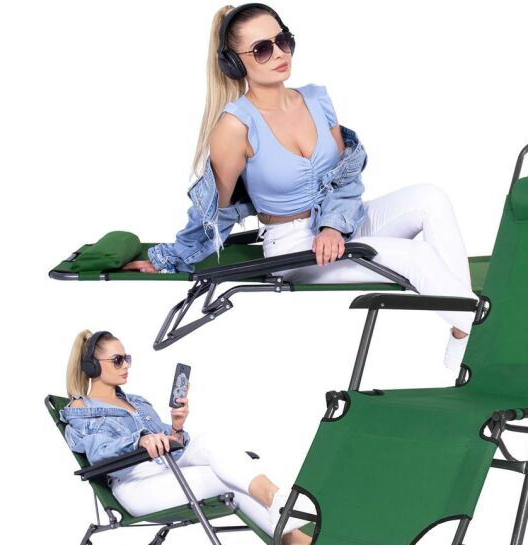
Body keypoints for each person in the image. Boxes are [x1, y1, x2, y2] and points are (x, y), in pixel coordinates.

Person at [126, 3, 477, 368]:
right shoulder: (234, 127)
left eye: (283, 40)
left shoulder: (316, 99)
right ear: (235, 63)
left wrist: (331, 226)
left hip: (343, 224)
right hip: (294, 246)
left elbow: (345, 176)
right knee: (418, 257)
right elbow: (215, 212)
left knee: (430, 197)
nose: (279, 53)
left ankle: (463, 331)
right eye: (262, 49)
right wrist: (171, 258)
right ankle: (481, 340)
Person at [59, 329, 313, 545]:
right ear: (92, 366)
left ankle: (277, 501)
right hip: (135, 483)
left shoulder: (137, 402)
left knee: (211, 440)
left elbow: (172, 445)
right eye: (117, 360)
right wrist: (139, 441)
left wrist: (176, 426)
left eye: (127, 358)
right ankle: (297, 537)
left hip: (168, 467)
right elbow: (99, 453)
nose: (126, 365)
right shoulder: (81, 408)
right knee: (228, 480)